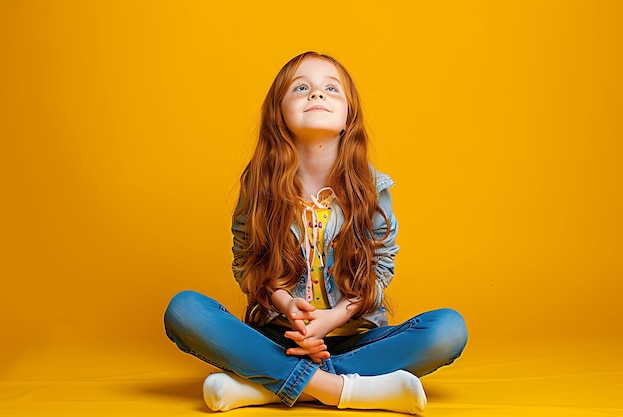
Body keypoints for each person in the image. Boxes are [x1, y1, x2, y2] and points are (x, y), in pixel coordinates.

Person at [164, 51, 468, 415]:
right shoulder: (259, 185)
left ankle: (265, 386)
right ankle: (341, 389)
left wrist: (333, 317)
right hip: (278, 338)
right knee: (183, 310)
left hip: (357, 340)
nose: (317, 95)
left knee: (448, 329)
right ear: (279, 114)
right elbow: (247, 263)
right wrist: (286, 304)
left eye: (330, 89)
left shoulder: (373, 189)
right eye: (302, 88)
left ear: (347, 119)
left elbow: (381, 269)